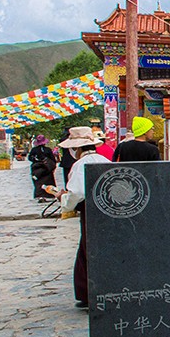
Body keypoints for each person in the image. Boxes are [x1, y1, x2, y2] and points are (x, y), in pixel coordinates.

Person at [58, 127, 110, 309]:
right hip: (107, 210)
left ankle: (91, 293)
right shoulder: (104, 160)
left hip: (90, 211)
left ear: (77, 149)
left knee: (89, 251)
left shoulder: (80, 165)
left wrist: (64, 199)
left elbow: (77, 192)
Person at [27, 135, 58, 200]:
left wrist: (36, 161)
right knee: (48, 181)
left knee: (38, 182)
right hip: (47, 168)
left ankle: (40, 194)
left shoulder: (34, 150)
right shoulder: (48, 150)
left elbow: (30, 158)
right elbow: (53, 159)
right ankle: (49, 194)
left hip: (37, 169)